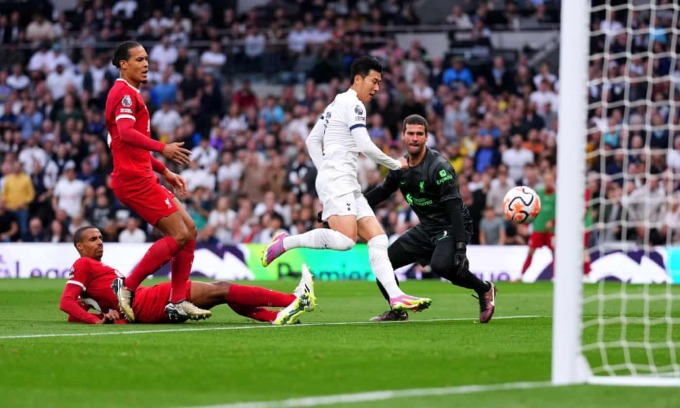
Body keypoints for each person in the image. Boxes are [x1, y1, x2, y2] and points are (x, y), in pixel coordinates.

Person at [261, 56, 431, 312]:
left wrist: (325, 170)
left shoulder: (335, 103)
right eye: (374, 81)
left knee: (378, 238)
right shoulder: (354, 104)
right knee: (347, 240)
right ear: (358, 79)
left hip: (343, 180)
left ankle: (395, 295)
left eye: (380, 83)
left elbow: (311, 141)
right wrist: (396, 164)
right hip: (338, 179)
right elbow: (363, 145)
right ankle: (286, 242)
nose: (377, 88)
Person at [105, 41, 207, 322]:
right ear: (123, 64)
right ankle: (127, 286)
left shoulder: (131, 94)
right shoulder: (124, 95)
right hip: (133, 180)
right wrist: (163, 148)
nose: (145, 63)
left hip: (143, 174)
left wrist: (164, 171)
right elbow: (125, 134)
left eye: (147, 58)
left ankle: (178, 300)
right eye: (138, 59)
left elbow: (130, 147)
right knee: (179, 234)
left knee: (190, 230)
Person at [363, 114, 497, 323]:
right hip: (427, 228)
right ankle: (398, 310)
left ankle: (485, 289)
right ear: (403, 136)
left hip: (452, 225)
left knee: (442, 266)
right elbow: (382, 192)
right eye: (411, 134)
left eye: (419, 134)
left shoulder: (439, 167)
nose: (415, 138)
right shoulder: (399, 167)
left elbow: (454, 209)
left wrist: (460, 248)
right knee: (383, 263)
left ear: (426, 137)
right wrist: (348, 207)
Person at [60, 226, 316, 325]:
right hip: (148, 301)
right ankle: (292, 300)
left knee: (221, 294)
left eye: (101, 238)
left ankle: (277, 316)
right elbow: (67, 303)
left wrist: (102, 314)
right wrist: (96, 320)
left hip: (148, 300)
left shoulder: (97, 269)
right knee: (222, 289)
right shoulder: (83, 264)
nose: (100, 242)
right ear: (80, 246)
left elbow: (77, 311)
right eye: (92, 239)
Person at [520, 169, 556, 279]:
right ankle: (521, 275)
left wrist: (553, 222)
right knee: (531, 251)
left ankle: (556, 276)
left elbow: (562, 212)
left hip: (552, 231)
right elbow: (532, 210)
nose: (548, 182)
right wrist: (525, 225)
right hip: (538, 228)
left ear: (553, 180)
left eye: (550, 180)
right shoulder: (538, 193)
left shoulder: (558, 195)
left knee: (555, 253)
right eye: (546, 180)